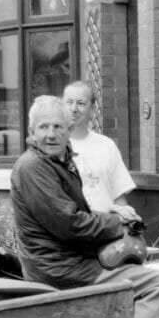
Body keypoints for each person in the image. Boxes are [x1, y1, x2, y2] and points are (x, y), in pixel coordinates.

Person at [10, 95, 159, 318]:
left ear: (68, 128)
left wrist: (113, 216)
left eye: (58, 126)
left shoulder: (58, 159)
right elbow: (69, 224)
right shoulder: (34, 167)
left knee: (135, 267)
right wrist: (116, 223)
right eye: (43, 127)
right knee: (157, 284)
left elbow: (75, 215)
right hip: (62, 268)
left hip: (67, 260)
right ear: (31, 131)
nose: (51, 133)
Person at [62, 81, 139, 221]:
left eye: (80, 103)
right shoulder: (56, 146)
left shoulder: (106, 146)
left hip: (105, 230)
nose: (74, 108)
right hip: (70, 229)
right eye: (69, 102)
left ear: (92, 107)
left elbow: (119, 196)